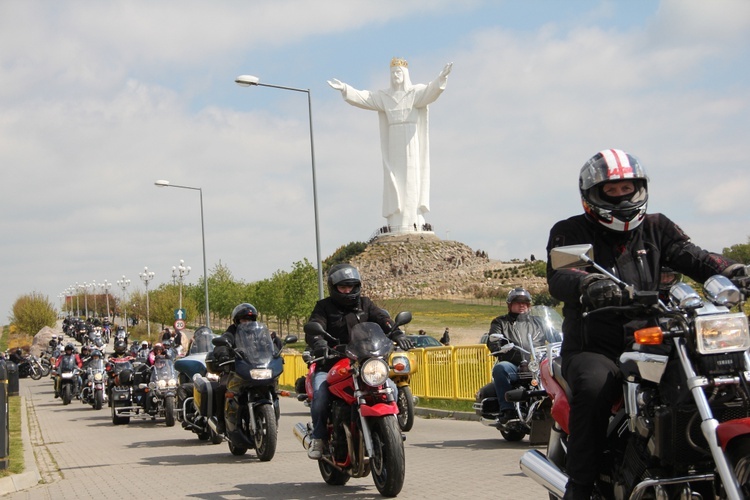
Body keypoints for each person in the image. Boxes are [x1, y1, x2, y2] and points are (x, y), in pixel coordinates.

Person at [546, 148, 747, 499]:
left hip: (656, 338)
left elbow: (695, 257)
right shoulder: (570, 231)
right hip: (597, 345)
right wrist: (590, 284)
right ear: (593, 195)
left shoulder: (657, 227)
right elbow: (562, 275)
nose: (622, 196)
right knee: (594, 388)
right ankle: (579, 487)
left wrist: (734, 270)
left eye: (628, 189)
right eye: (612, 190)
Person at [328, 58, 452, 233]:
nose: (395, 76)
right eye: (392, 73)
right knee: (395, 179)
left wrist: (441, 78)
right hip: (393, 142)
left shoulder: (414, 93)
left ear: (405, 74)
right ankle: (396, 219)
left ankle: (413, 220)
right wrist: (345, 88)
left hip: (411, 141)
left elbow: (431, 92)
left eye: (398, 72)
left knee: (412, 180)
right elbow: (365, 98)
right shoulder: (385, 96)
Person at [304, 263, 414, 459]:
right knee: (321, 397)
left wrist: (396, 333)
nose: (348, 291)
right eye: (343, 287)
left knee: (392, 388)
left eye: (352, 287)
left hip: (364, 362)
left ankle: (391, 430)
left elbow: (383, 319)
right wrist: (318, 342)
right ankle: (319, 438)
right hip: (332, 363)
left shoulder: (365, 304)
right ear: (333, 287)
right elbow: (315, 327)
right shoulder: (324, 307)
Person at [486, 288, 550, 423]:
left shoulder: (539, 322)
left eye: (525, 303)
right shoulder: (500, 322)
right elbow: (493, 341)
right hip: (514, 364)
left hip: (537, 363)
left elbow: (554, 336)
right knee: (501, 368)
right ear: (510, 304)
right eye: (518, 302)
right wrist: (499, 348)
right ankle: (507, 409)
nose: (522, 305)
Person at [211, 303, 261, 434]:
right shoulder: (231, 332)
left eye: (249, 319)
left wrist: (277, 353)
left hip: (256, 369)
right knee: (222, 387)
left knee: (271, 385)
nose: (246, 322)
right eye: (243, 319)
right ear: (237, 321)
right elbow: (223, 342)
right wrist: (223, 353)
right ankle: (221, 421)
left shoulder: (259, 333)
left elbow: (269, 344)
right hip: (235, 370)